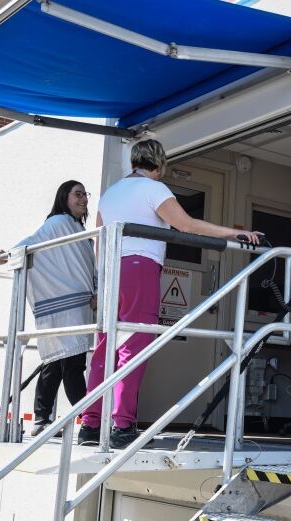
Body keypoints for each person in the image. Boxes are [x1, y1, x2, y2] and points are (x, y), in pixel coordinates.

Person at [78, 139, 262, 449]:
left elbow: (99, 240)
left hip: (110, 271)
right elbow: (186, 225)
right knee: (135, 346)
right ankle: (122, 426)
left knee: (105, 346)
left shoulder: (110, 193)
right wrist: (234, 233)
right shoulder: (154, 190)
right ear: (159, 165)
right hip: (139, 267)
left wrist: (99, 281)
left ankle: (90, 424)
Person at [0, 180, 96, 437]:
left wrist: (96, 291)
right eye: (77, 194)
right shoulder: (58, 223)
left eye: (85, 194)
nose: (83, 199)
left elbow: (88, 267)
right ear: (64, 197)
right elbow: (32, 243)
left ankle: (44, 418)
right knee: (69, 363)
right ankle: (86, 419)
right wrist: (7, 254)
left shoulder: (77, 229)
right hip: (65, 307)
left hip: (78, 306)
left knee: (60, 361)